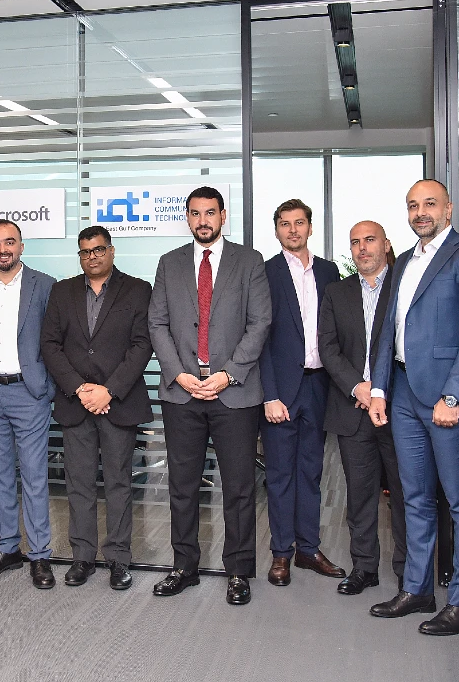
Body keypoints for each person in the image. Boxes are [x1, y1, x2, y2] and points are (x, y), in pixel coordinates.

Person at [367, 180, 459, 636]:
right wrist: (380, 389)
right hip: (402, 394)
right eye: (413, 206)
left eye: (429, 204)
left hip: (447, 400)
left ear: (448, 207)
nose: (421, 212)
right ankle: (418, 588)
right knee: (414, 496)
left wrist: (454, 395)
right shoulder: (402, 261)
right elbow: (388, 330)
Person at [147, 186, 272, 606]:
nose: (203, 220)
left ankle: (238, 571)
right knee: (182, 485)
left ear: (223, 216)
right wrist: (180, 375)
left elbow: (260, 324)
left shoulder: (249, 261)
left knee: (237, 487)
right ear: (187, 218)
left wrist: (228, 375)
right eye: (195, 213)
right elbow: (157, 324)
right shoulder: (169, 263)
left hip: (233, 394)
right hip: (182, 393)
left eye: (210, 213)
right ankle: (184, 566)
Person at [40, 226, 153, 591]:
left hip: (117, 403)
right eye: (85, 251)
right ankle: (82, 557)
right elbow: (50, 345)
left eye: (99, 249)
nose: (92, 256)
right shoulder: (62, 291)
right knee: (79, 485)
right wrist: (79, 388)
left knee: (119, 483)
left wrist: (109, 390)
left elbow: (141, 346)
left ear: (112, 251)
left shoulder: (137, 290)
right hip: (76, 403)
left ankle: (119, 559)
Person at [0, 219, 57, 589]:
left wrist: (47, 387)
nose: (2, 249)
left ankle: (39, 555)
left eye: (9, 242)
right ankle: (7, 548)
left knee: (34, 476)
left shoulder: (45, 285)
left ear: (21, 245)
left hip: (27, 392)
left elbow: (53, 341)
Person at [317, 221, 407, 596]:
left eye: (370, 240)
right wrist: (360, 386)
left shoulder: (405, 285)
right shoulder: (336, 292)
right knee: (360, 495)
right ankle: (364, 567)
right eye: (355, 242)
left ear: (386, 245)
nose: (362, 248)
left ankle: (408, 571)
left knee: (405, 495)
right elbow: (328, 348)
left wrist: (382, 391)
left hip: (401, 409)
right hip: (353, 408)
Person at [259, 199, 344, 587]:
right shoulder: (265, 273)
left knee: (312, 472)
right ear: (276, 230)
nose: (292, 230)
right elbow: (257, 338)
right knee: (279, 475)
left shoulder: (330, 271)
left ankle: (308, 549)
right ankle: (281, 553)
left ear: (311, 227)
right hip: (281, 388)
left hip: (319, 384)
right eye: (284, 224)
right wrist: (268, 394)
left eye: (299, 223)